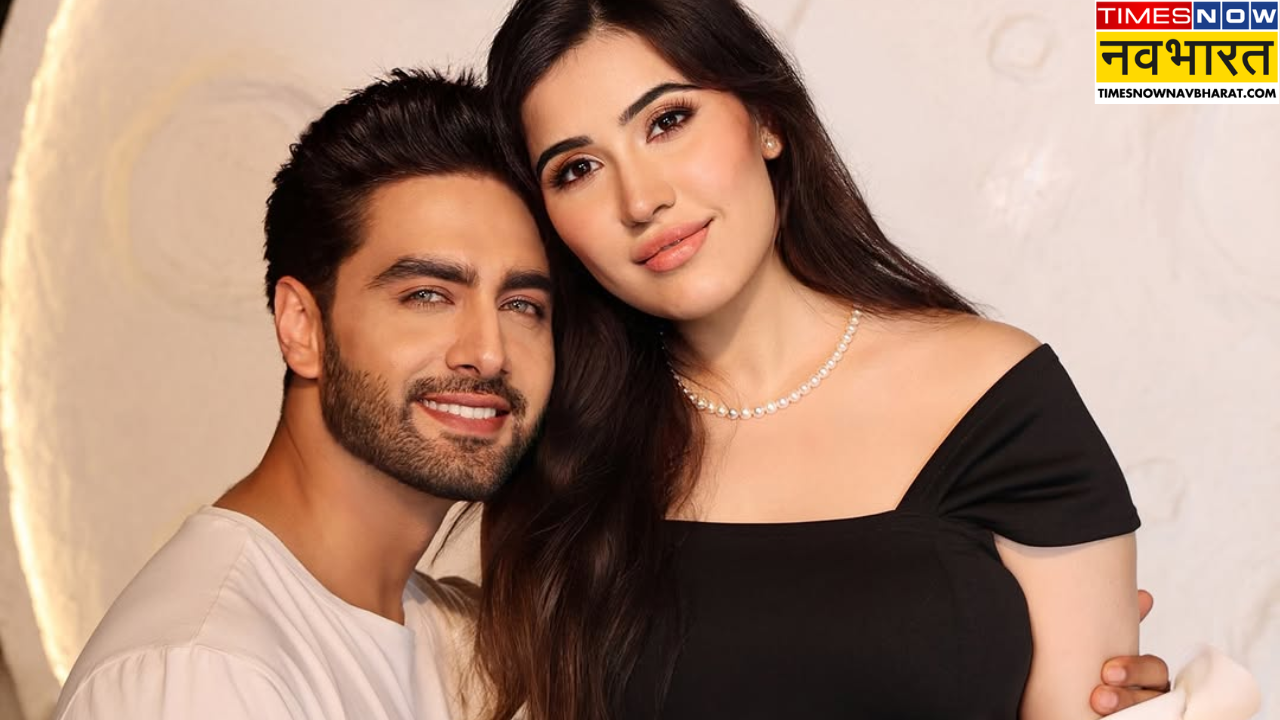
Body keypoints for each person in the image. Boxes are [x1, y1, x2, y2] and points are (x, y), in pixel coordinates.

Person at [473, 1, 1170, 718]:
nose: (642, 199)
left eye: (668, 121)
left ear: (766, 121)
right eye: (578, 169)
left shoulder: (997, 398)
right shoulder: (561, 455)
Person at [52, 69, 554, 720]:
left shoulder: (456, 635)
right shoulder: (201, 673)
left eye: (522, 304)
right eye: (428, 295)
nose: (488, 352)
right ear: (301, 327)